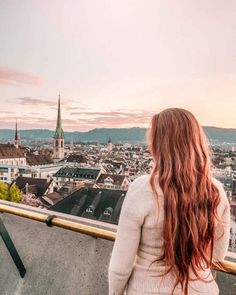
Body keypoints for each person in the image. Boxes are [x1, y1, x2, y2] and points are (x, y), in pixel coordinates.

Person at [108, 108, 230, 295]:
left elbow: (120, 266)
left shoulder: (142, 189)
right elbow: (217, 254)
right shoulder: (216, 191)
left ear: (157, 143)